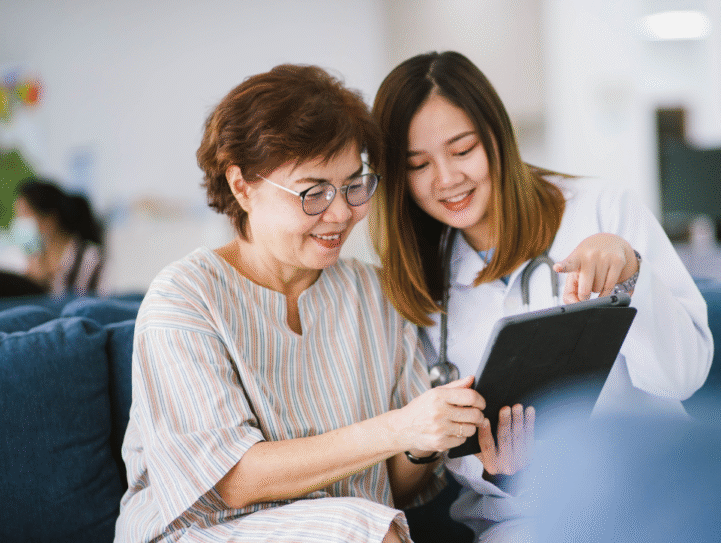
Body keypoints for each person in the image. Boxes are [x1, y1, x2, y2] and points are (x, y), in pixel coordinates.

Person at [115, 64, 487, 543]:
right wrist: (398, 427)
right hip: (207, 533)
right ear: (241, 185)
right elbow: (234, 479)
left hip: (354, 527)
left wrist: (421, 443)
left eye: (355, 185)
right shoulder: (185, 299)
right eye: (313, 193)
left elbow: (390, 485)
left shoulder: (372, 294)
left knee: (365, 525)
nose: (340, 213)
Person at [370, 51, 714, 541]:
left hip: (650, 488)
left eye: (463, 149)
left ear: (497, 137)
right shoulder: (416, 282)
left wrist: (629, 271)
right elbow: (424, 460)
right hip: (524, 519)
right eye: (418, 164)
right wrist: (500, 470)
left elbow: (684, 377)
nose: (446, 179)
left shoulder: (601, 210)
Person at [11, 179, 105, 296]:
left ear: (49, 219)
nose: (19, 223)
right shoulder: (32, 264)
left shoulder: (89, 259)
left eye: (24, 214)